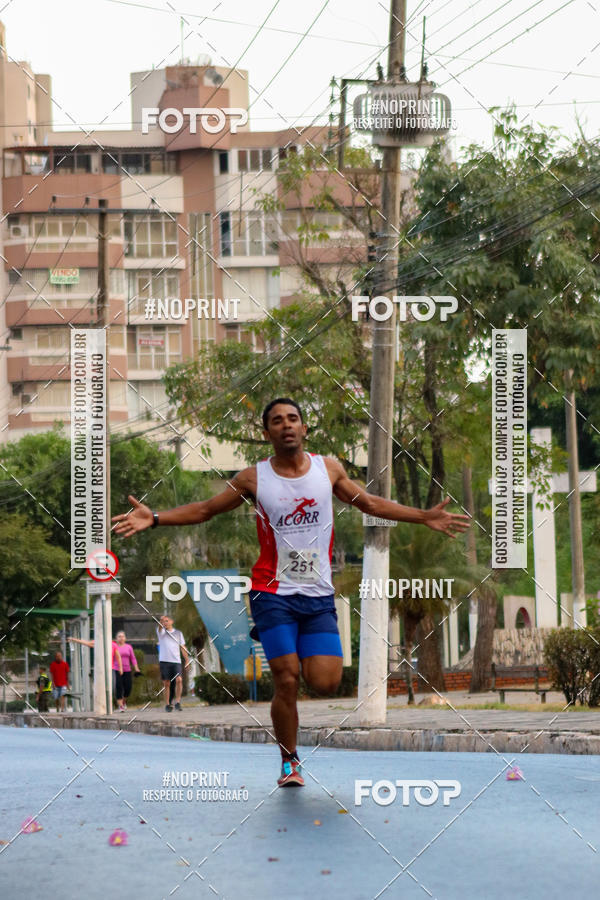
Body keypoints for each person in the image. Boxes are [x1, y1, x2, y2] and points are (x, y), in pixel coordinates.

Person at [113, 398, 470, 787]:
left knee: (326, 681)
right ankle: (289, 762)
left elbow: (368, 502)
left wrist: (424, 517)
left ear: (303, 429)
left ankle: (279, 637)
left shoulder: (328, 469)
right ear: (266, 434)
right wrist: (157, 518)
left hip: (317, 596)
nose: (287, 425)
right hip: (272, 591)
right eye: (277, 421)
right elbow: (205, 510)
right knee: (286, 678)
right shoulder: (254, 478)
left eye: (293, 419)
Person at [155, 615, 189, 712]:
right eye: (163, 621)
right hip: (164, 661)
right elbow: (159, 627)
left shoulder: (178, 633)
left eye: (167, 621)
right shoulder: (161, 632)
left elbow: (183, 647)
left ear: (172, 621)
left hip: (176, 661)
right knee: (167, 683)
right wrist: (160, 621)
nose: (165, 623)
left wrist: (187, 660)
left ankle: (178, 702)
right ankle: (167, 704)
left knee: (179, 680)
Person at [114, 631, 140, 711]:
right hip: (116, 669)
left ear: (125, 638)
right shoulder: (114, 647)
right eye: (119, 636)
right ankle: (121, 706)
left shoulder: (129, 647)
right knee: (118, 687)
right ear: (116, 638)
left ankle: (124, 702)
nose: (121, 638)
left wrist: (136, 668)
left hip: (127, 670)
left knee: (128, 688)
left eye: (122, 636)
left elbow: (133, 658)